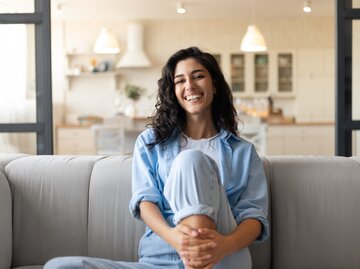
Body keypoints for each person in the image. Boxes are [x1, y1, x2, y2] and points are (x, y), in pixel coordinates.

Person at [44, 47, 269, 269]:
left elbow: (254, 217)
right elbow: (146, 201)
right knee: (59, 267)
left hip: (220, 257)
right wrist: (174, 238)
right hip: (163, 259)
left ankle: (198, 264)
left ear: (215, 85)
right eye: (180, 81)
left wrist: (223, 246)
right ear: (173, 90)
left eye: (198, 76)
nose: (189, 85)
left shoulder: (243, 152)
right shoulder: (151, 142)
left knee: (191, 161)